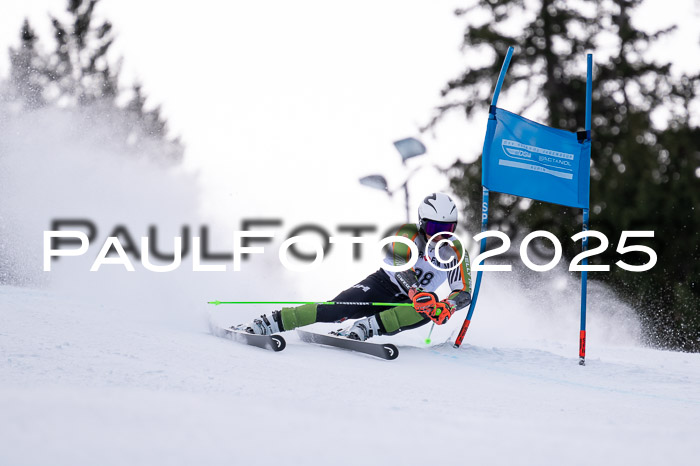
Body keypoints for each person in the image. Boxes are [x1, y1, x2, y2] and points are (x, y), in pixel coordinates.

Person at [237, 192, 472, 341]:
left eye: (448, 229)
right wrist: (416, 292)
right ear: (421, 224)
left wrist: (448, 306)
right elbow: (401, 266)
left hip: (410, 304)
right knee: (336, 310)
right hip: (383, 286)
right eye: (433, 228)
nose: (440, 235)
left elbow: (463, 292)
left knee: (430, 306)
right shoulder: (406, 234)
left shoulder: (455, 251)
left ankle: (366, 328)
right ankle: (270, 321)